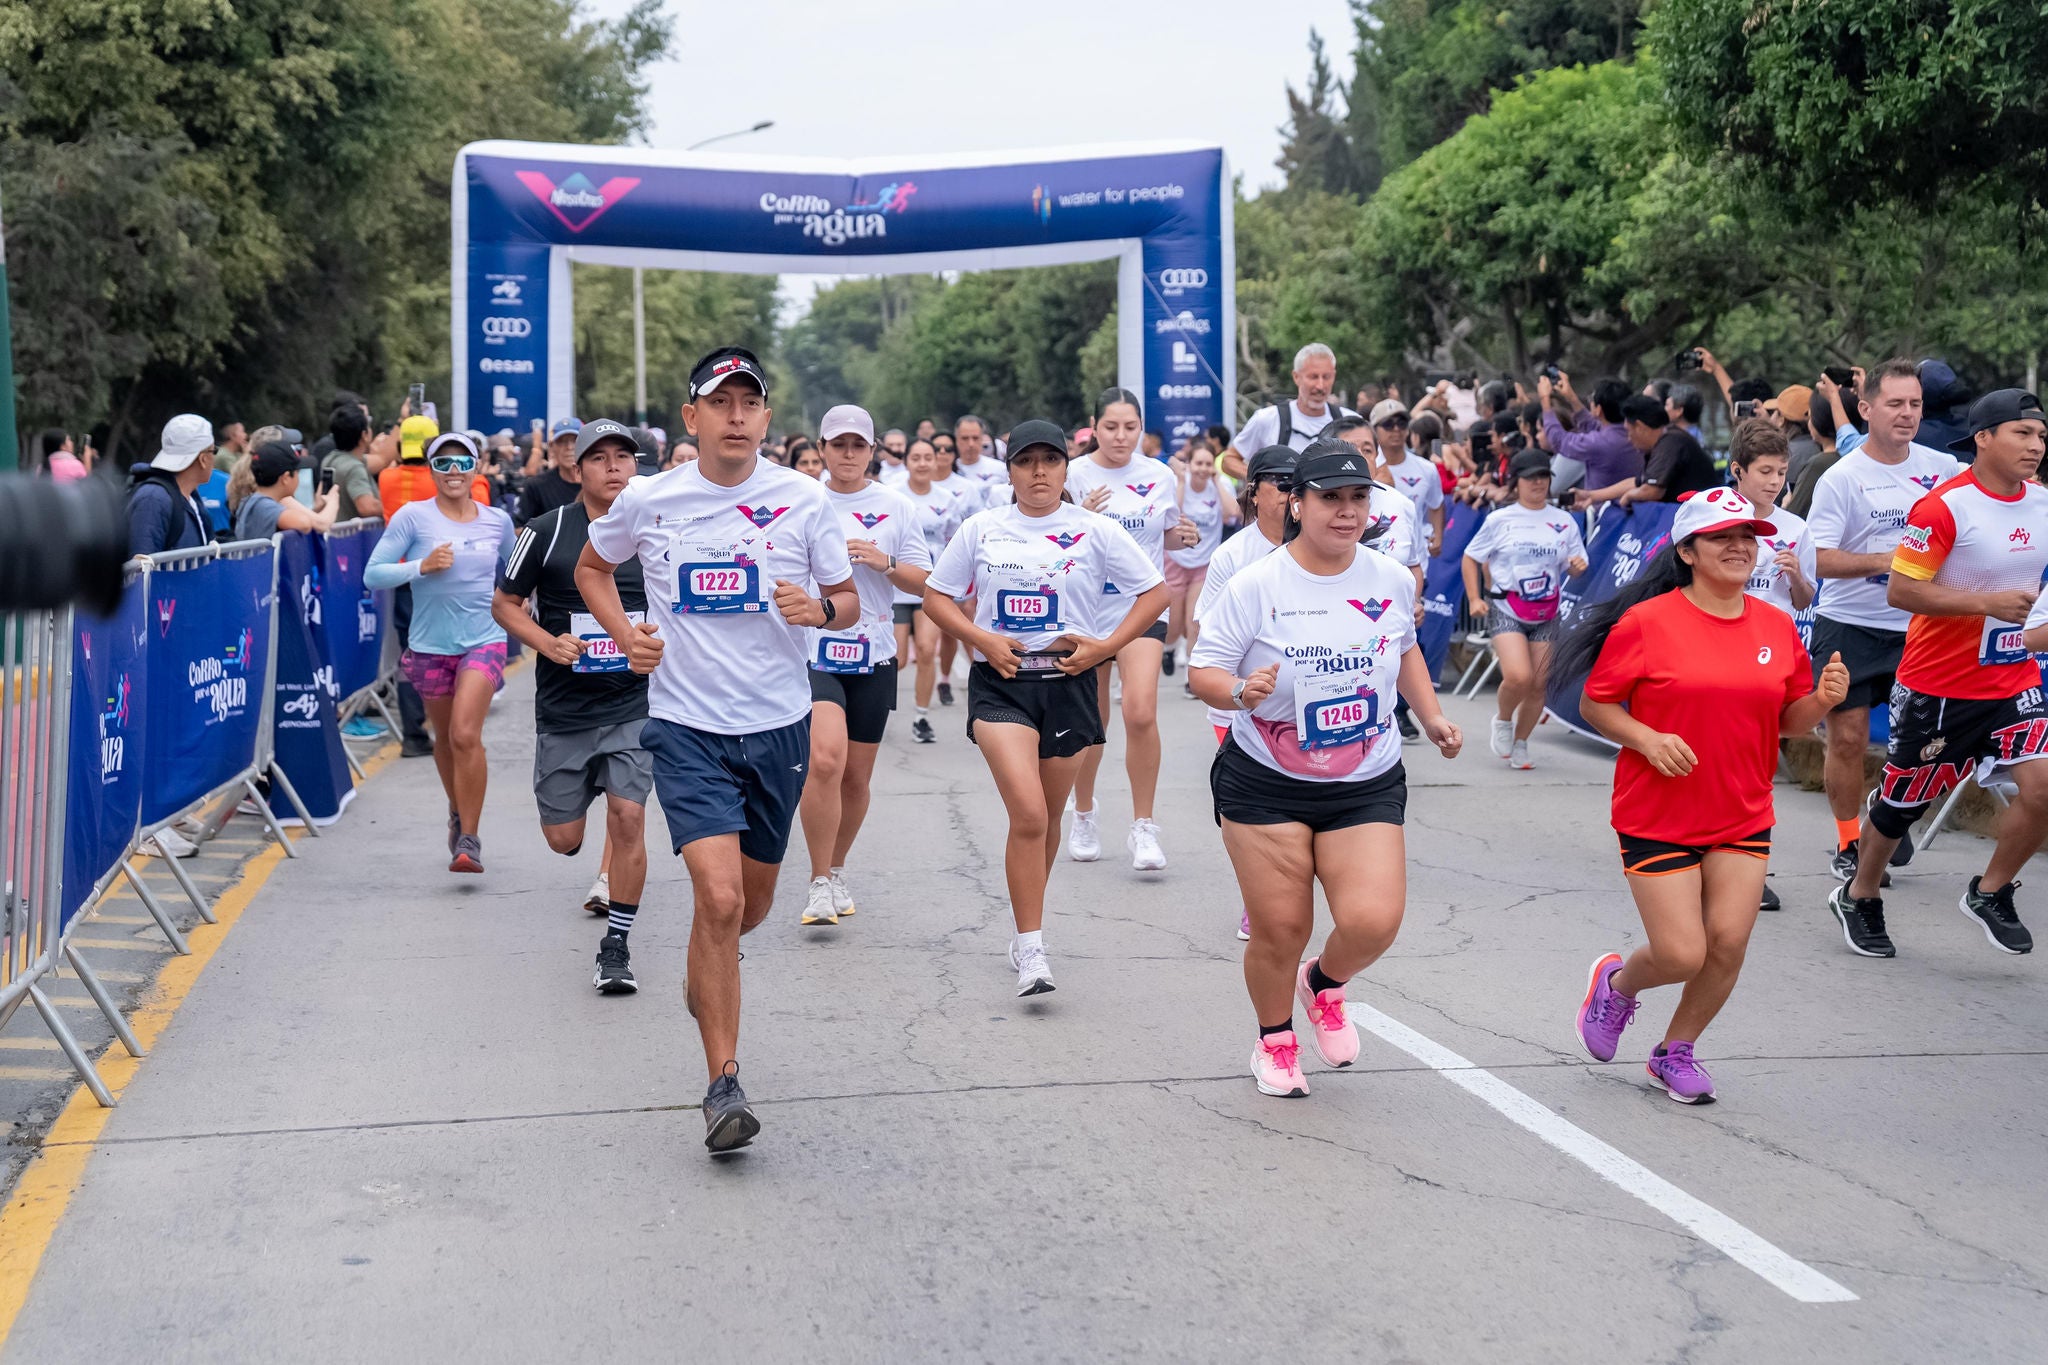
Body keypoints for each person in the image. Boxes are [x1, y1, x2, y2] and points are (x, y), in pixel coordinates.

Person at [575, 346, 857, 1154]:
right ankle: (723, 1084)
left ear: (767, 418)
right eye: (719, 403)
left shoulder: (803, 501)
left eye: (750, 403)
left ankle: (709, 976)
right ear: (691, 417)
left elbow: (845, 600)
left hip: (777, 728)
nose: (736, 417)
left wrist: (820, 611)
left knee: (749, 911)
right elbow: (595, 568)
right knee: (721, 899)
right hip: (686, 727)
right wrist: (627, 632)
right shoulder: (650, 498)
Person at [1188, 443, 1464, 1099]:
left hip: (1363, 776)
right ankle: (1276, 1041)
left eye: (1358, 498)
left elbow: (1403, 651)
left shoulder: (1390, 578)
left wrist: (1430, 717)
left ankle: (1324, 983)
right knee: (1281, 928)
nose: (1346, 511)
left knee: (1373, 919)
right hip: (1264, 778)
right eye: (1331, 498)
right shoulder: (1258, 584)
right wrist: (1238, 692)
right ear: (1298, 502)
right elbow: (1204, 670)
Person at [1560, 487, 1847, 1103]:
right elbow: (1596, 703)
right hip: (1657, 813)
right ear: (1688, 550)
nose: (1741, 547)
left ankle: (1675, 1051)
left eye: (1748, 537)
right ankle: (1617, 985)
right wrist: (1646, 737)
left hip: (1741, 811)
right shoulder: (1647, 623)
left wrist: (1821, 700)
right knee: (1682, 952)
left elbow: (1787, 720)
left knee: (1729, 943)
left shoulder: (1773, 625)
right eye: (1723, 537)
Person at [923, 420, 1165, 997]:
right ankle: (1033, 948)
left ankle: (1023, 922)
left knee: (1048, 819)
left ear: (1066, 468)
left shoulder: (1095, 530)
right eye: (1026, 462)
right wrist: (981, 639)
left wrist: (1106, 647)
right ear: (1008, 470)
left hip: (1068, 681)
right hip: (1001, 683)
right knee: (1029, 813)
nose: (1039, 473)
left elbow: (1155, 593)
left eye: (1050, 462)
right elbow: (936, 596)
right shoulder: (983, 528)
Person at [1832, 389, 2048, 958]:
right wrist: (1986, 605)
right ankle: (1861, 893)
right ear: (1983, 438)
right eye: (2022, 434)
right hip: (1939, 685)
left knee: (2045, 788)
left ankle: (1991, 891)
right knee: (1903, 806)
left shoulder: (2043, 504)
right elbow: (1903, 590)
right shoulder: (1944, 507)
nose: (2036, 445)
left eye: (2041, 436)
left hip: (2013, 679)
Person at [492, 419, 653, 992]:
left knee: (629, 816)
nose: (613, 467)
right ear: (576, 469)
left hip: (635, 704)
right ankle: (584, 821)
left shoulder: (656, 528)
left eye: (623, 457)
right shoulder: (544, 529)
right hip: (565, 710)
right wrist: (546, 642)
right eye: (599, 458)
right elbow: (506, 604)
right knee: (563, 838)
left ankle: (617, 946)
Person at [1806, 360, 1963, 881]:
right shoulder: (1842, 478)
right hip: (1848, 623)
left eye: (1915, 404)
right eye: (1895, 404)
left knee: (1925, 747)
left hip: (1921, 628)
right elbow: (1818, 559)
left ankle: (1885, 805)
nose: (1907, 414)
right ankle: (1850, 842)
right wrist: (1886, 562)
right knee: (1848, 738)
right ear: (1866, 409)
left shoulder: (1943, 468)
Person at [797, 405, 933, 926]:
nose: (848, 454)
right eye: (838, 445)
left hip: (875, 650)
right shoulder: (802, 501)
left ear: (872, 451)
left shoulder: (895, 507)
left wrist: (885, 563)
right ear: (823, 449)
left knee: (855, 777)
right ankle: (815, 881)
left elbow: (925, 581)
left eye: (858, 445)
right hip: (815, 648)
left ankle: (835, 869)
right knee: (825, 761)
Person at [365, 432, 515, 872]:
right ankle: (456, 809)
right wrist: (421, 566)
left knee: (466, 735)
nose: (453, 471)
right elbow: (372, 574)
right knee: (446, 741)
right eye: (443, 463)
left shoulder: (497, 521)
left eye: (462, 462)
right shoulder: (413, 518)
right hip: (430, 645)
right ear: (431, 469)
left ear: (476, 467)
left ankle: (468, 837)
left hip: (484, 640)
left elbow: (513, 575)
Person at [1065, 388, 1199, 872]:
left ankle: (1144, 827)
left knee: (1140, 711)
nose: (1121, 437)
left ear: (1141, 428)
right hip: (1085, 609)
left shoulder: (1159, 475)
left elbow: (1163, 535)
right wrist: (1084, 519)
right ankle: (1083, 813)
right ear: (1094, 426)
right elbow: (1055, 540)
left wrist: (1181, 537)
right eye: (1111, 427)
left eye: (1130, 427)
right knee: (1091, 722)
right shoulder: (1075, 474)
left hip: (1142, 603)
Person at [1194, 446, 1297, 941]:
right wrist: (1239, 685)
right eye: (1279, 484)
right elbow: (1208, 637)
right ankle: (1256, 900)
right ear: (1255, 492)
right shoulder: (1233, 555)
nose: (1289, 495)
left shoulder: (1319, 547)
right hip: (1237, 705)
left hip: (1303, 705)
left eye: (1298, 485)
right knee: (1253, 811)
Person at [1461, 450, 1589, 770]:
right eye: (1531, 477)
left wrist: (1577, 566)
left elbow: (1576, 566)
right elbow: (1470, 557)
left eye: (1543, 476)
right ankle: (1503, 720)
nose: (1538, 483)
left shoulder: (1564, 522)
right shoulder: (1499, 519)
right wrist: (1475, 598)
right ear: (1515, 482)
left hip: (1546, 610)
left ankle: (1520, 742)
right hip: (1507, 606)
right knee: (1519, 676)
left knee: (1539, 683)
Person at [892, 436, 965, 744]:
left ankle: (921, 716)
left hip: (929, 586)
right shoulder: (893, 496)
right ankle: (873, 708)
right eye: (916, 458)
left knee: (925, 650)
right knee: (896, 658)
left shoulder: (947, 499)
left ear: (936, 462)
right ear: (907, 462)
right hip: (895, 586)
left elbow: (955, 542)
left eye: (927, 457)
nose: (922, 463)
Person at [1222, 342, 1358, 479]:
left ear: (1334, 376)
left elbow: (1377, 466)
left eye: (1326, 377)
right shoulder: (1268, 419)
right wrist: (1265, 482)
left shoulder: (1352, 423)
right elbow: (1229, 460)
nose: (1320, 385)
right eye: (1313, 377)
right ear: (1296, 377)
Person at [1163, 442, 1238, 683]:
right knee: (1173, 625)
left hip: (1204, 563)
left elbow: (1233, 513)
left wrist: (1216, 483)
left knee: (1194, 622)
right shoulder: (1177, 484)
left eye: (1208, 464)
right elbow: (1170, 515)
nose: (1203, 469)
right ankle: (1169, 648)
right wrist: (1183, 481)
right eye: (1198, 463)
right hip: (1174, 560)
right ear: (1190, 464)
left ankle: (1190, 680)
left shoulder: (1221, 485)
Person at [1544, 375, 1642, 516]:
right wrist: (1571, 397)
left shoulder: (1600, 443)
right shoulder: (1632, 433)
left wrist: (1545, 402)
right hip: (1633, 514)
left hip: (1606, 518)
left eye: (1592, 400)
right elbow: (1594, 425)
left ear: (1599, 410)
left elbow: (1559, 440)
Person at [127, 414, 217, 557]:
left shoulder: (190, 496)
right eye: (214, 451)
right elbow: (140, 570)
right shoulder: (153, 499)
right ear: (203, 459)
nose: (215, 458)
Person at [1612, 396, 1720, 505]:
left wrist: (1628, 496)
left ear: (1640, 427)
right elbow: (1639, 483)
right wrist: (1596, 496)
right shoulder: (1668, 436)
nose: (1629, 438)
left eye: (1628, 431)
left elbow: (1652, 491)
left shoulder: (1670, 441)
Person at [1370, 400, 1445, 555]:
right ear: (1374, 430)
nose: (1396, 429)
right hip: (1378, 557)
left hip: (1417, 559)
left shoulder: (1427, 468)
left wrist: (1437, 535)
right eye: (1388, 424)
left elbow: (1436, 504)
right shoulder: (1367, 469)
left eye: (1402, 423)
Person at [233, 439, 341, 540]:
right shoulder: (263, 504)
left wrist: (316, 509)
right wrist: (333, 501)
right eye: (297, 473)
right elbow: (305, 524)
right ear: (285, 478)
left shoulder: (254, 501)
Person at [324, 406, 384, 521]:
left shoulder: (330, 459)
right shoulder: (354, 468)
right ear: (364, 435)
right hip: (353, 538)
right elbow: (367, 507)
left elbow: (382, 459)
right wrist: (397, 505)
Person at [519, 418, 583, 524]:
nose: (569, 447)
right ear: (552, 447)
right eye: (562, 442)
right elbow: (519, 528)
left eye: (575, 440)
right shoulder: (536, 486)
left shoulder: (597, 484)